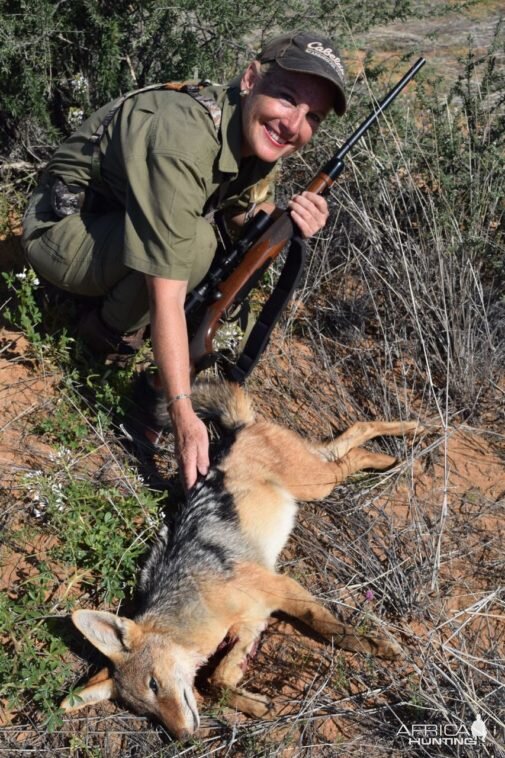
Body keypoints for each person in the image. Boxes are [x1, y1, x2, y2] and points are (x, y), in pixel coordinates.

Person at [22, 31, 347, 489]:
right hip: (65, 227)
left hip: (119, 220)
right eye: (288, 98)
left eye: (311, 115)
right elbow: (168, 288)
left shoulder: (258, 132)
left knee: (209, 245)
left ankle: (119, 312)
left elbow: (239, 212)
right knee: (192, 246)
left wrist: (286, 221)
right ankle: (104, 335)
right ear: (251, 78)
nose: (294, 124)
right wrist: (180, 409)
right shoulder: (183, 136)